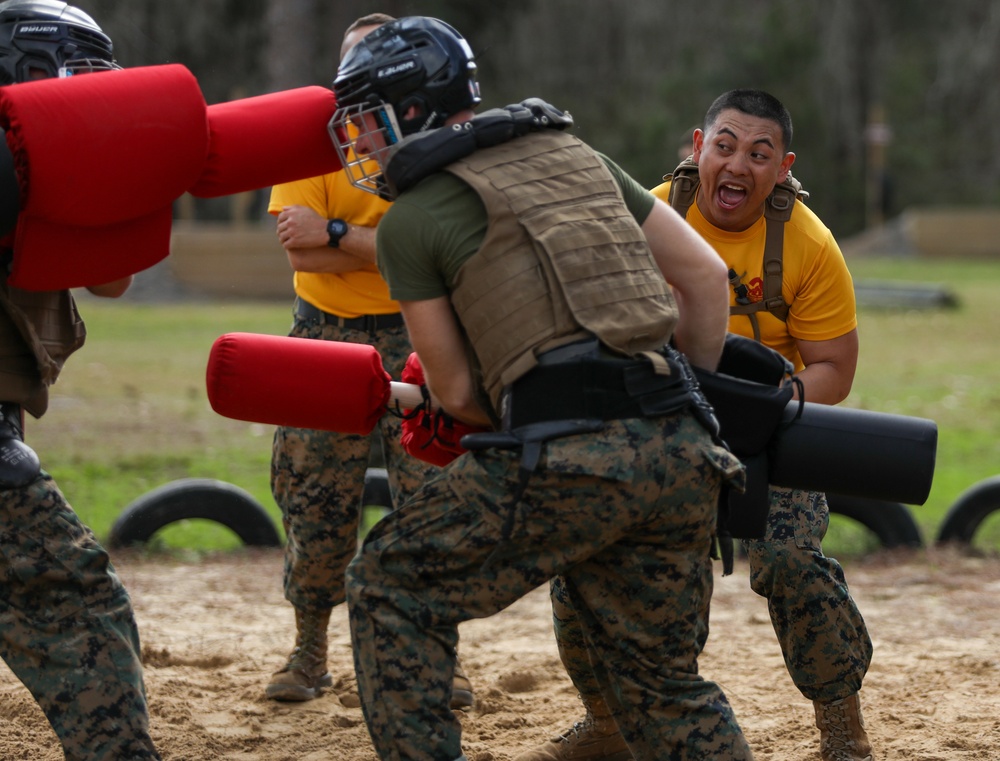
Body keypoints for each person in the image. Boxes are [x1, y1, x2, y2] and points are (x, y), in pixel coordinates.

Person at [330, 16, 756, 761]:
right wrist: (667, 402)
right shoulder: (577, 154)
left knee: (389, 585)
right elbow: (705, 279)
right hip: (686, 445)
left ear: (410, 109)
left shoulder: (411, 222)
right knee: (662, 685)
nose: (360, 141)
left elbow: (458, 390)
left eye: (366, 119)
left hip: (569, 458)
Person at [523, 89, 872, 761]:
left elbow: (834, 368)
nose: (738, 164)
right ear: (697, 146)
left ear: (783, 166)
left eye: (759, 153)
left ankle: (840, 720)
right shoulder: (644, 215)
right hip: (660, 423)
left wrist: (766, 408)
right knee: (586, 558)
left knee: (794, 561)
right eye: (726, 145)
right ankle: (607, 720)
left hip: (772, 426)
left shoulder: (810, 244)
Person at [264, 13, 473, 709]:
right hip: (324, 331)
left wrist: (335, 233)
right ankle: (309, 649)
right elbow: (300, 249)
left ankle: (442, 656)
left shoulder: (428, 139)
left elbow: (430, 246)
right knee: (314, 498)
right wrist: (367, 240)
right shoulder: (308, 143)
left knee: (435, 496)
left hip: (418, 329)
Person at [0, 2, 161, 759]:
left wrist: (123, 171)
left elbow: (112, 279)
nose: (97, 91)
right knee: (78, 605)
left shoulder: (37, 164)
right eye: (80, 75)